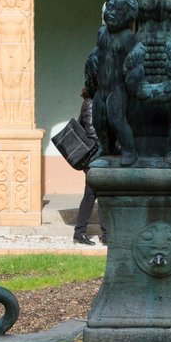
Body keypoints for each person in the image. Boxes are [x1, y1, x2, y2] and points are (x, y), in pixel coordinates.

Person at [72, 87, 106, 246]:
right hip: (95, 157)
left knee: (96, 195)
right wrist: (105, 150)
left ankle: (99, 233)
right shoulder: (91, 103)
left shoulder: (95, 102)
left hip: (97, 157)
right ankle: (81, 232)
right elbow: (92, 132)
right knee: (93, 195)